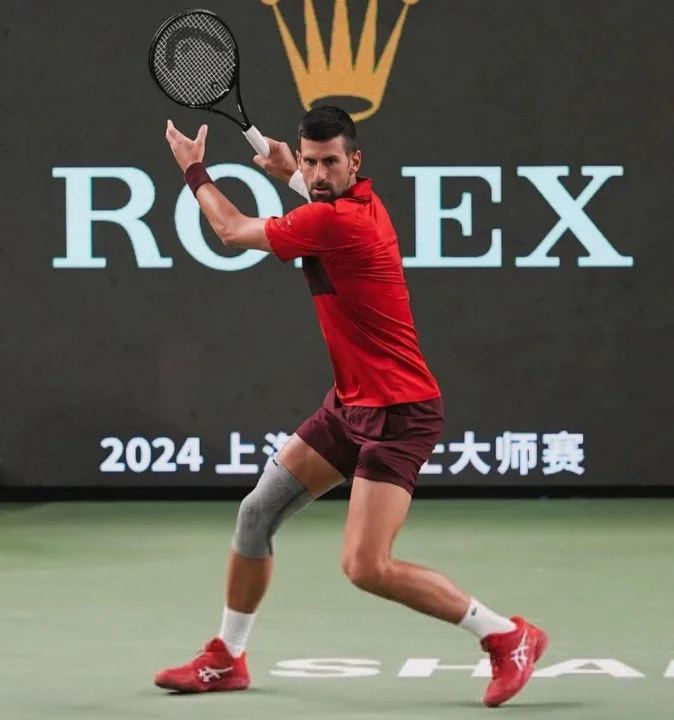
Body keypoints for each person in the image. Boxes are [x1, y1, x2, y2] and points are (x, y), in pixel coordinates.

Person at [154, 106, 548, 707]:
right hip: (349, 405)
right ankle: (227, 658)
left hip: (400, 414)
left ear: (354, 161)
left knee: (366, 566)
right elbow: (315, 195)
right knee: (257, 513)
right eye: (310, 162)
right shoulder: (355, 202)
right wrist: (287, 171)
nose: (318, 173)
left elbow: (230, 230)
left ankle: (506, 635)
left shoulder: (339, 222)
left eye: (330, 162)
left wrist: (193, 169)